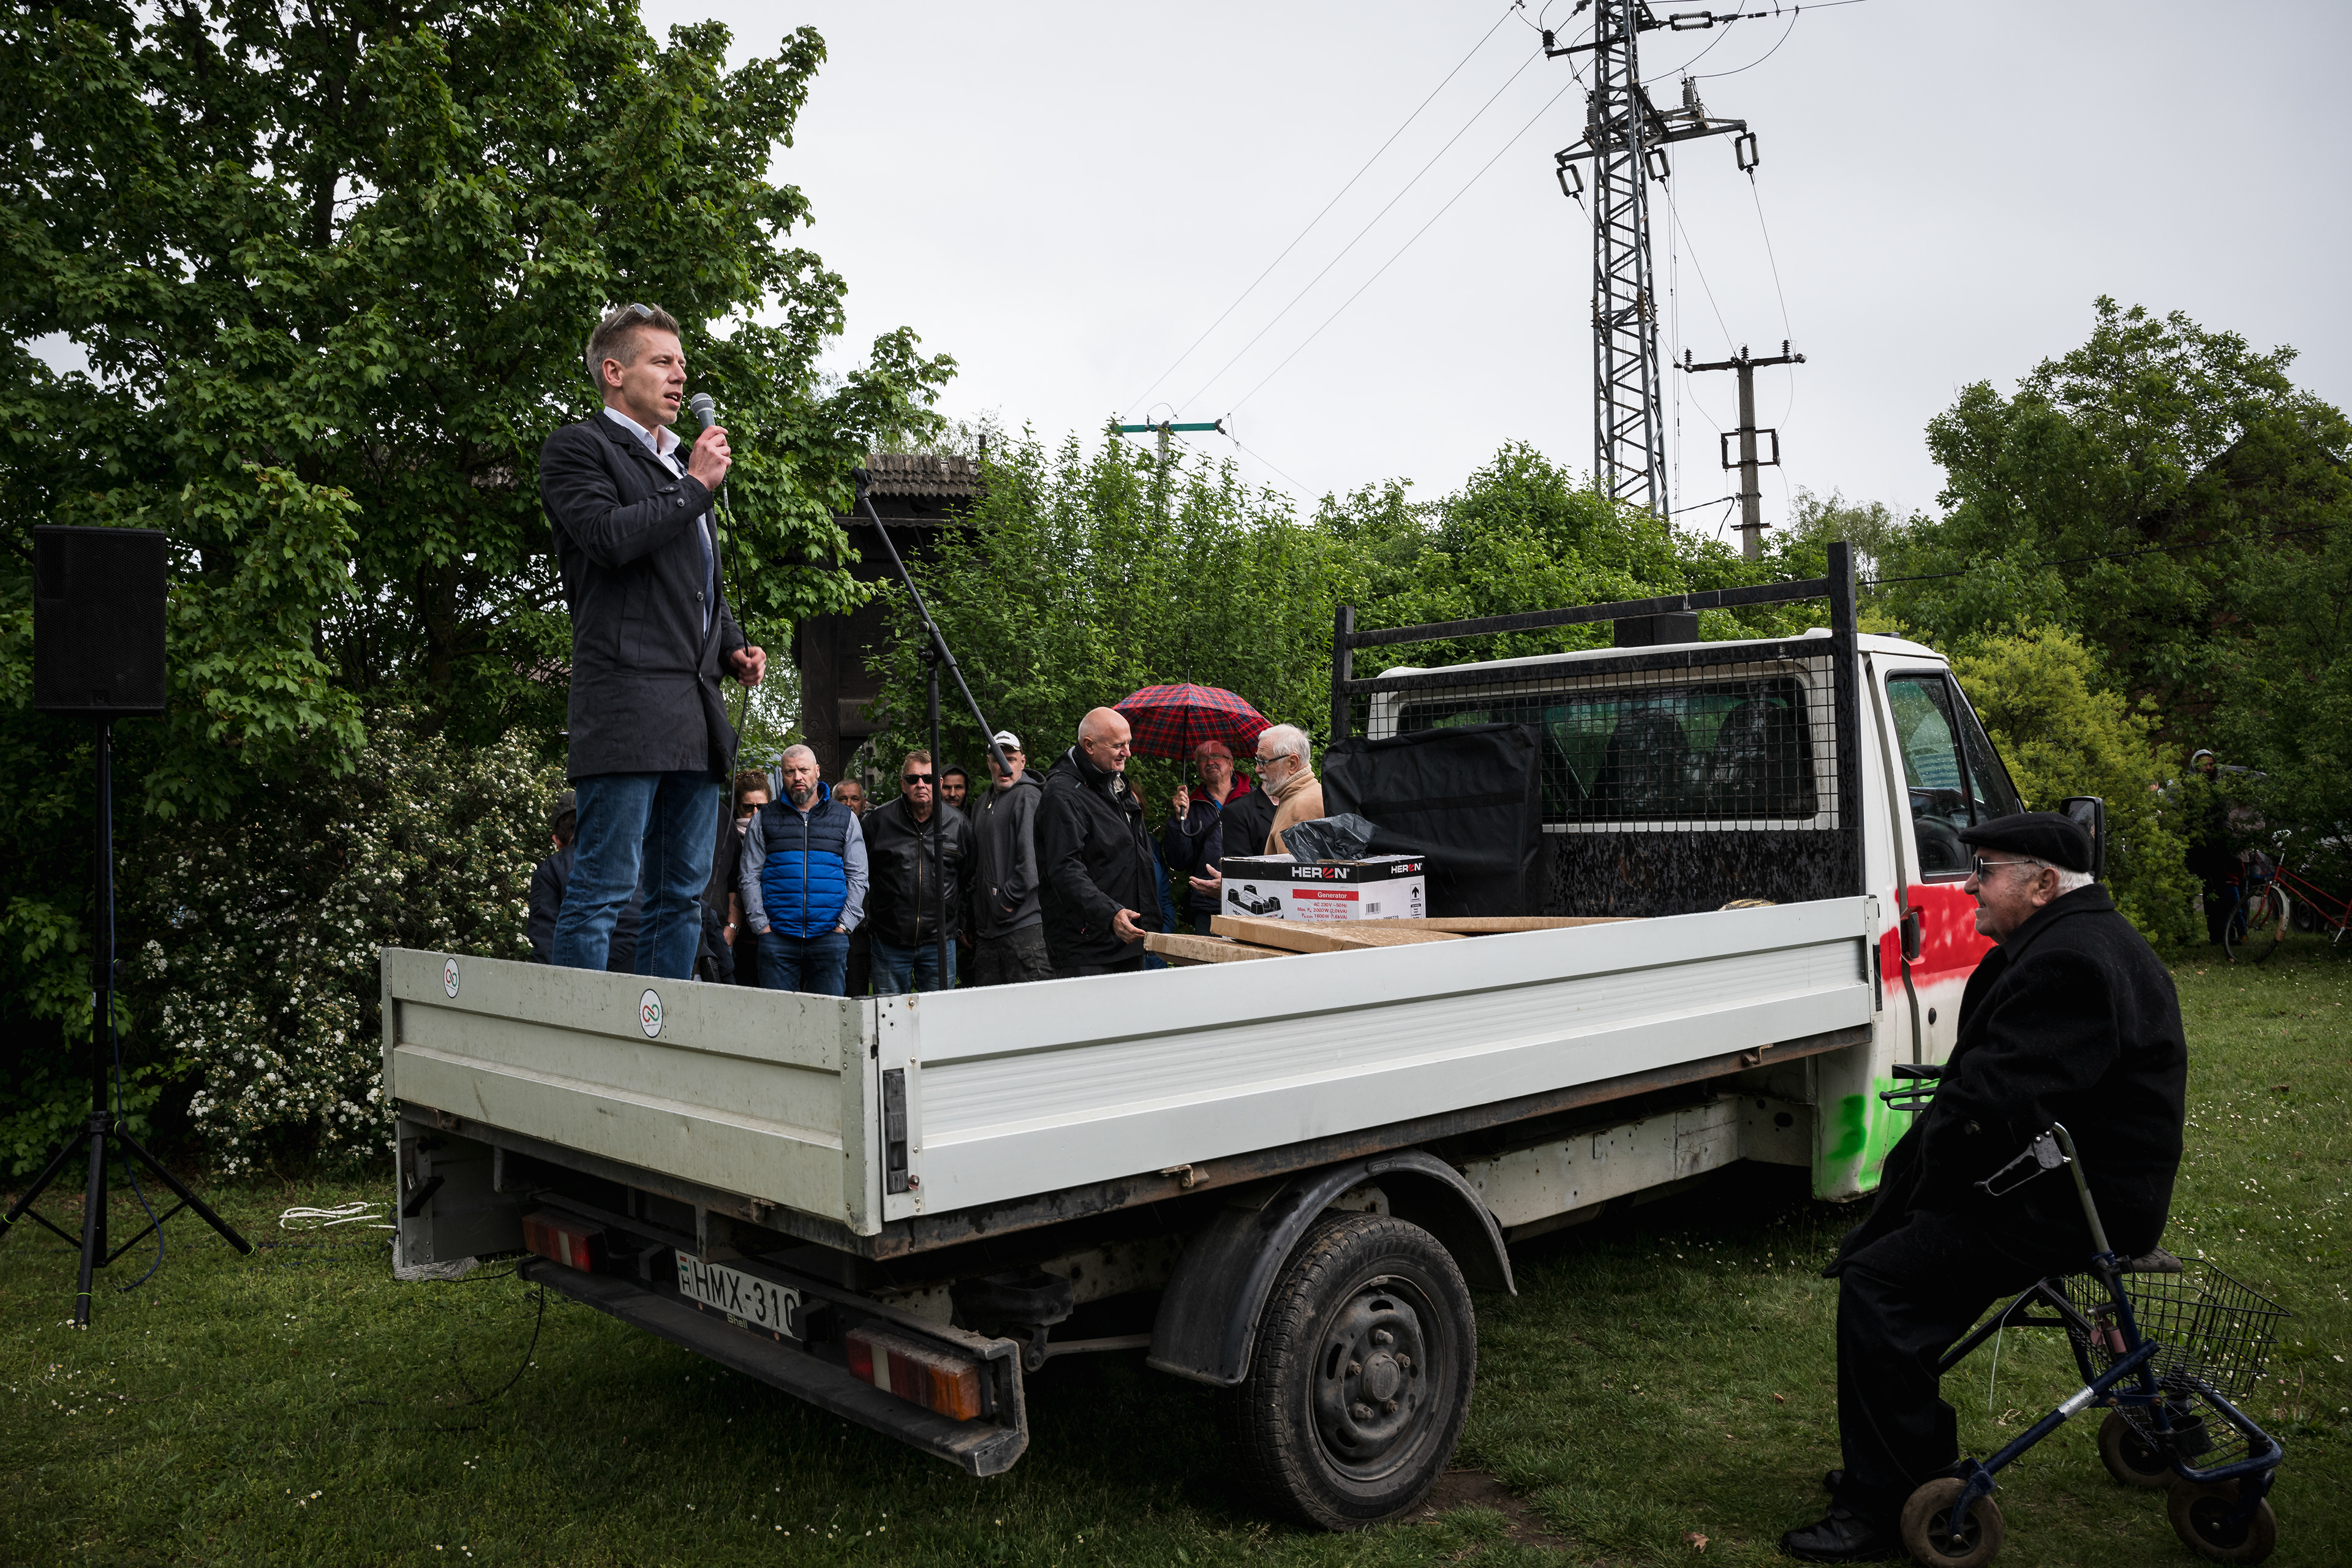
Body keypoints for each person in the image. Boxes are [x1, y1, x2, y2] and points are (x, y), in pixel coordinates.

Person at [1782, 812, 2186, 1563]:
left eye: (1987, 868)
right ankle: (1898, 1464)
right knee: (1896, 1267)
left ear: (2041, 884)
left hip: (2079, 1204)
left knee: (1882, 1287)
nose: (1970, 882)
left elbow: (1993, 1109)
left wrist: (1925, 1187)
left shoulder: (2070, 961)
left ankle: (1887, 1500)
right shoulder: (2073, 940)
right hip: (2061, 1185)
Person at [538, 301, 765, 979]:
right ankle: (582, 1040)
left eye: (682, 364)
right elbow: (610, 540)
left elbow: (696, 588)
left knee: (683, 895)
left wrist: (730, 646)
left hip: (694, 714)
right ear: (614, 372)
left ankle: (666, 1038)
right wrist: (695, 485)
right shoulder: (579, 448)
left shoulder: (680, 470)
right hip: (627, 707)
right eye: (662, 361)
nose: (679, 376)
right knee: (605, 886)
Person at [1038, 707, 1163, 978]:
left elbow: (1135, 854)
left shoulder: (1115, 782)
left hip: (1128, 939)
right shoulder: (1062, 795)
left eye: (1129, 743)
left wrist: (1149, 922)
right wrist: (1109, 915)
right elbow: (1064, 869)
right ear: (1089, 746)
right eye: (1118, 745)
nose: (1127, 753)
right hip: (1086, 947)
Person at [738, 745, 866, 995]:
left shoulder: (844, 818)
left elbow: (858, 876)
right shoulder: (764, 819)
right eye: (790, 772)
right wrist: (761, 926)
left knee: (827, 1022)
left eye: (804, 770)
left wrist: (844, 926)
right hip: (777, 939)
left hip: (829, 937)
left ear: (817, 771)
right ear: (782, 776)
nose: (797, 777)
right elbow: (749, 875)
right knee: (777, 1021)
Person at [863, 750, 970, 993]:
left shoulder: (959, 824)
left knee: (939, 1018)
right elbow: (861, 874)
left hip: (940, 941)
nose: (921, 784)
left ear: (939, 783)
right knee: (889, 1017)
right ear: (903, 784)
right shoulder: (878, 822)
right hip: (889, 939)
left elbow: (967, 876)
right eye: (913, 779)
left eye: (928, 778)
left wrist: (959, 921)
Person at [527, 790, 643, 971]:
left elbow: (546, 951)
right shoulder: (645, 859)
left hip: (605, 975)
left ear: (557, 841)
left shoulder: (551, 869)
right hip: (668, 966)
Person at [970, 731, 1051, 986]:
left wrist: (1007, 902)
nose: (1005, 767)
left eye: (1011, 759)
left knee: (1034, 1010)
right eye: (999, 759)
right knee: (990, 1014)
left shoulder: (1028, 797)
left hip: (1024, 927)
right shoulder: (981, 803)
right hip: (988, 932)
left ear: (1023, 762)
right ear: (989, 762)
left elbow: (1031, 863)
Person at [1161, 738, 1259, 930]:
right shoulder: (1191, 806)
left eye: (1216, 756)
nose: (1210, 762)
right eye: (1203, 759)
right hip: (1208, 907)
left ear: (1230, 763)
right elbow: (1179, 861)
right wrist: (1179, 818)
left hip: (1252, 900)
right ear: (1198, 768)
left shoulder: (1255, 799)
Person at [707, 769, 768, 986]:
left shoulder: (778, 837)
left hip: (772, 936)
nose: (754, 812)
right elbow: (734, 880)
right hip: (738, 939)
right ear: (737, 807)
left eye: (761, 807)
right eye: (748, 807)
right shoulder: (728, 833)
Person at [1256, 723, 1325, 856]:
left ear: (1292, 763)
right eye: (1258, 760)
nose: (1258, 769)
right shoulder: (1303, 793)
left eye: (1264, 761)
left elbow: (1290, 874)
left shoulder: (1300, 807)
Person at [834, 775, 872, 994]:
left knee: (857, 990)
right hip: (830, 924)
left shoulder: (875, 830)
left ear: (864, 803)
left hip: (863, 928)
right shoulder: (826, 831)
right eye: (843, 799)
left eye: (854, 799)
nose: (849, 804)